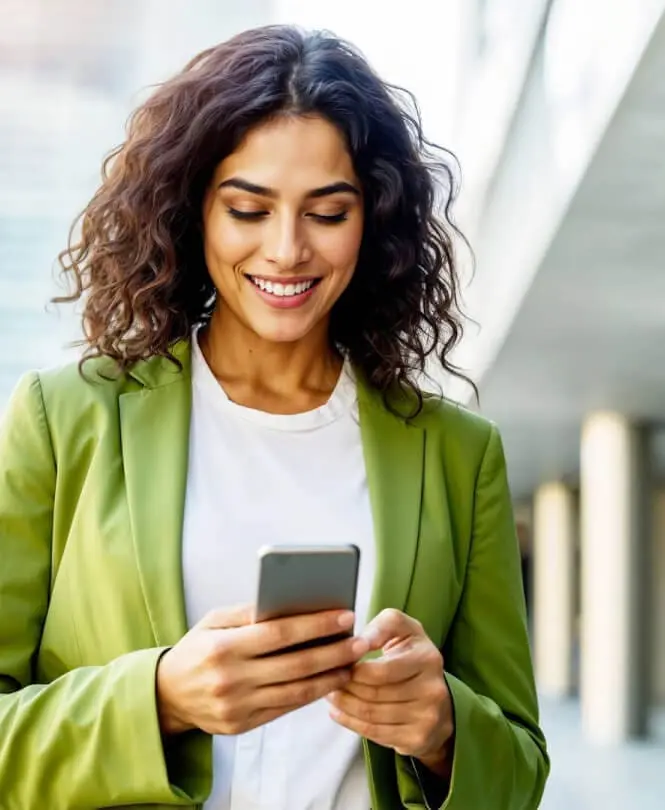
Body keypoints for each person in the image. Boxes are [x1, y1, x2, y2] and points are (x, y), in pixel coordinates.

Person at [0, 25, 549, 810]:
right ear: (194, 213)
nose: (287, 249)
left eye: (327, 213)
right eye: (248, 209)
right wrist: (156, 699)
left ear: (375, 222)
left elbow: (521, 770)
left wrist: (442, 731)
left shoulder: (457, 455)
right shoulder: (66, 420)